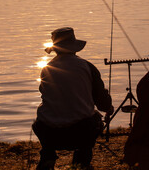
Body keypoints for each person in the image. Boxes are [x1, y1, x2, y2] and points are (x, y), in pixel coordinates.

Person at [32, 27, 114, 170]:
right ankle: (82, 160)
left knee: (39, 122)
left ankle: (48, 156)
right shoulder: (87, 67)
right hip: (79, 131)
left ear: (55, 49)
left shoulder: (46, 69)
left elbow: (44, 95)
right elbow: (102, 102)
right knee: (95, 120)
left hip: (48, 132)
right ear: (74, 47)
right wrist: (109, 107)